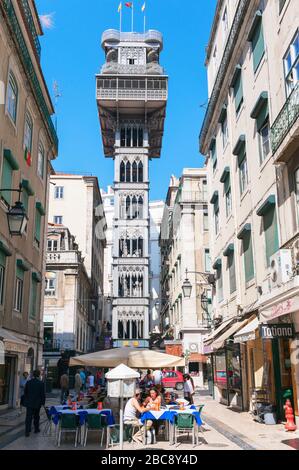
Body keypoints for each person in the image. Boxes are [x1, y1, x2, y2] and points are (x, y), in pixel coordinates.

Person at [23, 370, 46, 437]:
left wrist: (27, 400)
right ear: (39, 375)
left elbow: (25, 392)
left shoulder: (28, 382)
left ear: (33, 375)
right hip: (37, 403)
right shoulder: (41, 383)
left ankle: (27, 431)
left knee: (28, 417)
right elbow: (42, 394)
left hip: (29, 402)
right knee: (36, 416)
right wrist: (43, 402)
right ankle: (36, 429)